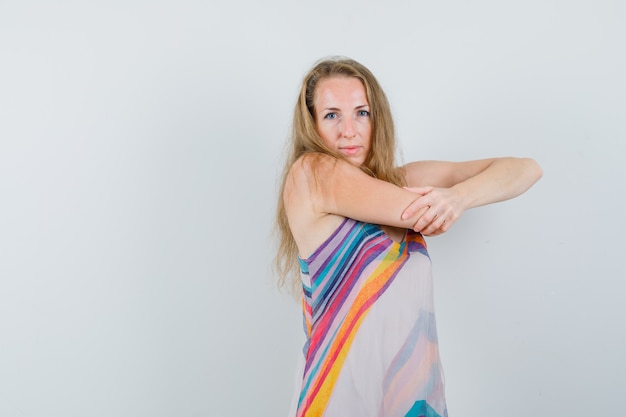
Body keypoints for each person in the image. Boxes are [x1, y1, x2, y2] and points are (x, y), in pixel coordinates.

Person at [275, 57, 542, 417]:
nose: (349, 130)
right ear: (312, 125)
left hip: (411, 400)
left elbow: (525, 169)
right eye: (332, 115)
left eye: (362, 113)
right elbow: (418, 211)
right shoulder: (311, 174)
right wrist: (447, 199)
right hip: (339, 400)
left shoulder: (401, 181)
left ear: (377, 118)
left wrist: (459, 196)